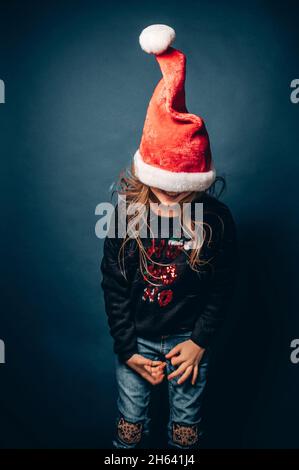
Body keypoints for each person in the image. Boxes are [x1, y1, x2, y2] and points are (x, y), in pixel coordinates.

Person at [100, 24, 238, 449]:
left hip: (187, 341)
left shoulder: (216, 220)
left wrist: (199, 341)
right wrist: (127, 349)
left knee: (185, 432)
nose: (171, 200)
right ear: (145, 177)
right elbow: (113, 284)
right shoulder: (125, 215)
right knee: (130, 429)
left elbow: (222, 285)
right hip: (137, 338)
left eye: (182, 192)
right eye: (162, 190)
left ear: (200, 183)